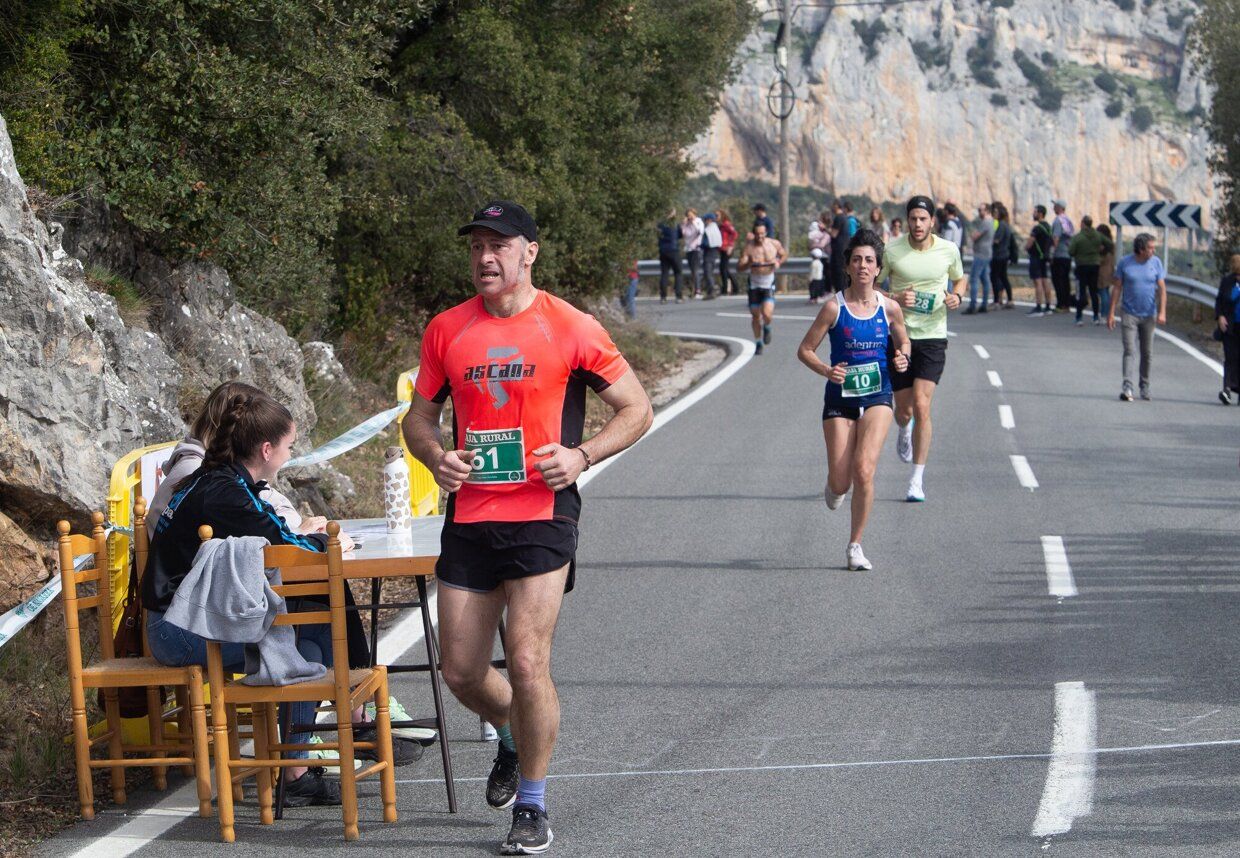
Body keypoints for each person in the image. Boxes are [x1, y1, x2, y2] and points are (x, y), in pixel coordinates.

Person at [402, 200, 653, 855]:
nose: (486, 257)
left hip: (544, 513)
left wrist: (581, 455)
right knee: (458, 669)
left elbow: (637, 408)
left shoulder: (571, 326)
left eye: (499, 245)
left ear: (529, 252)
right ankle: (515, 733)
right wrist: (436, 456)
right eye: (477, 246)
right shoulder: (447, 330)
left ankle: (533, 808)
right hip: (472, 514)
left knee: (527, 658)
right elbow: (419, 420)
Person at [144, 389, 364, 807]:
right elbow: (284, 541)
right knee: (316, 625)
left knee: (313, 635)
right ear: (266, 448)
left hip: (181, 618)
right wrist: (328, 540)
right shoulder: (226, 492)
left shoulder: (212, 479)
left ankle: (302, 761)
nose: (288, 454)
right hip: (177, 630)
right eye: (288, 447)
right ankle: (347, 722)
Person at [797, 230, 911, 571]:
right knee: (841, 480)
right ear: (848, 266)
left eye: (870, 261)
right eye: (857, 260)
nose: (863, 266)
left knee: (864, 470)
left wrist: (903, 356)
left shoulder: (889, 308)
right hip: (840, 398)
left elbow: (904, 342)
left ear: (878, 269)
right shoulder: (834, 307)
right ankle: (834, 486)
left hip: (878, 394)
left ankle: (855, 546)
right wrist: (826, 370)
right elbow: (804, 350)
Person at [879, 195, 966, 502]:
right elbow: (873, 287)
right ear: (907, 220)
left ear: (932, 222)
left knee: (922, 403)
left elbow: (959, 278)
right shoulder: (892, 250)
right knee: (903, 410)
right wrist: (895, 298)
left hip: (933, 336)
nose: (918, 224)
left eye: (923, 219)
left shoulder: (948, 249)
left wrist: (956, 296)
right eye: (913, 219)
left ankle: (916, 480)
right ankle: (904, 429)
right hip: (899, 336)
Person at [1107, 232, 1167, 401]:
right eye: (1150, 248)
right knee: (1129, 350)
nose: (1153, 251)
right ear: (1140, 249)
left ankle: (1145, 385)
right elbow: (1117, 288)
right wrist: (1111, 313)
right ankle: (1127, 386)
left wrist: (1162, 312)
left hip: (1149, 315)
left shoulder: (1156, 263)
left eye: (1154, 247)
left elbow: (1162, 289)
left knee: (1147, 353)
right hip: (1129, 314)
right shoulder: (1125, 263)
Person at [736, 222, 788, 355]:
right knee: (755, 316)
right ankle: (758, 342)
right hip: (754, 284)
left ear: (765, 233)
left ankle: (767, 326)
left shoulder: (773, 244)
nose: (760, 236)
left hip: (768, 283)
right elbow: (739, 267)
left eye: (762, 233)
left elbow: (784, 254)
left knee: (767, 314)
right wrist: (749, 263)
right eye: (757, 234)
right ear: (754, 234)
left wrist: (778, 262)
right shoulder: (749, 248)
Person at [1068, 215, 1108, 326]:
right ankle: (1096, 317)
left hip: (1081, 266)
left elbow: (1071, 251)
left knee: (1081, 292)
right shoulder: (1097, 235)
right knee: (1093, 292)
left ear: (1083, 224)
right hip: (1095, 266)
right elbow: (1109, 244)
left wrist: (1079, 253)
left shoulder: (1078, 237)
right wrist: (1100, 252)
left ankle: (1079, 317)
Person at [1214, 253, 1240, 404]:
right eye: (1236, 273)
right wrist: (1220, 317)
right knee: (1230, 357)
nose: (1238, 277)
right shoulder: (1227, 281)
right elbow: (1219, 301)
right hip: (1230, 327)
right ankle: (1227, 389)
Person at [964, 202, 994, 314]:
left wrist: (972, 233)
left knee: (974, 279)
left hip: (981, 254)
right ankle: (984, 304)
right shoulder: (989, 222)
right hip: (986, 253)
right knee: (985, 279)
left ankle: (972, 306)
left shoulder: (986, 222)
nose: (979, 212)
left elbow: (975, 236)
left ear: (987, 211)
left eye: (981, 209)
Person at [1026, 205, 1055, 315]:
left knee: (1037, 282)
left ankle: (1038, 306)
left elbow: (1030, 243)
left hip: (1036, 257)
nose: (1033, 214)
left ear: (1040, 214)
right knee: (1045, 281)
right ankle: (1048, 306)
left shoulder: (1037, 228)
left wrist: (1026, 247)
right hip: (1045, 257)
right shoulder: (1048, 227)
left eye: (1035, 212)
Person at [1051, 199, 1076, 312]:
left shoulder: (1058, 221)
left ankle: (1061, 304)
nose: (1053, 208)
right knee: (1065, 280)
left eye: (1055, 206)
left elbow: (1055, 238)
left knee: (1058, 280)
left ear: (1059, 208)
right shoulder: (1067, 220)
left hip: (1059, 255)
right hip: (1067, 255)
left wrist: (1052, 254)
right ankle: (1066, 304)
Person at [656, 210, 683, 304]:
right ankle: (678, 296)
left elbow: (658, 236)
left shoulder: (660, 224)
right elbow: (680, 235)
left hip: (663, 251)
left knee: (664, 274)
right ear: (673, 214)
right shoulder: (675, 224)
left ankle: (663, 297)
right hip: (673, 250)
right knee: (678, 272)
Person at [991, 202, 1014, 308]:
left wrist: (989, 241)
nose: (994, 214)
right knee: (1003, 277)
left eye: (995, 212)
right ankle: (1010, 299)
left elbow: (997, 240)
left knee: (994, 277)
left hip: (998, 255)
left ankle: (996, 301)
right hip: (1004, 255)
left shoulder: (1001, 225)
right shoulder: (1006, 225)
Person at [682, 208, 705, 299]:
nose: (689, 217)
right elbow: (683, 234)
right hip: (688, 249)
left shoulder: (699, 222)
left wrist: (694, 222)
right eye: (688, 215)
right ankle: (693, 290)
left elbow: (700, 231)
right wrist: (684, 224)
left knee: (695, 270)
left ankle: (698, 291)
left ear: (695, 214)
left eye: (691, 215)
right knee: (692, 271)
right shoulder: (686, 224)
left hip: (697, 249)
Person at [829, 200, 850, 294]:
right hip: (844, 249)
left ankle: (841, 295)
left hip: (838, 250)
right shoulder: (844, 217)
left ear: (836, 206)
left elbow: (834, 234)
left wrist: (825, 228)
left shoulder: (838, 218)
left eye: (832, 205)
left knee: (838, 275)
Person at [1097, 223, 1117, 318]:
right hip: (1110, 270)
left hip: (1102, 271)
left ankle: (1104, 314)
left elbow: (1101, 259)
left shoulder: (1103, 245)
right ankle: (1107, 313)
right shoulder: (1111, 244)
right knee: (1106, 292)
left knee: (1103, 292)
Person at [700, 212, 722, 300]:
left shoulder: (708, 229)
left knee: (708, 272)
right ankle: (715, 289)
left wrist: (700, 245)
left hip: (708, 253)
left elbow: (706, 243)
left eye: (705, 219)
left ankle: (711, 291)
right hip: (715, 252)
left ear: (709, 220)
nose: (705, 221)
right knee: (710, 272)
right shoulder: (716, 228)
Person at [717, 209, 738, 295]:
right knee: (724, 269)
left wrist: (730, 246)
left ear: (722, 215)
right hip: (722, 249)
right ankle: (734, 288)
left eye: (717, 215)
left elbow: (734, 234)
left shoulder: (726, 224)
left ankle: (726, 289)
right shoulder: (720, 225)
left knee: (723, 269)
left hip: (727, 249)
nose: (716, 217)